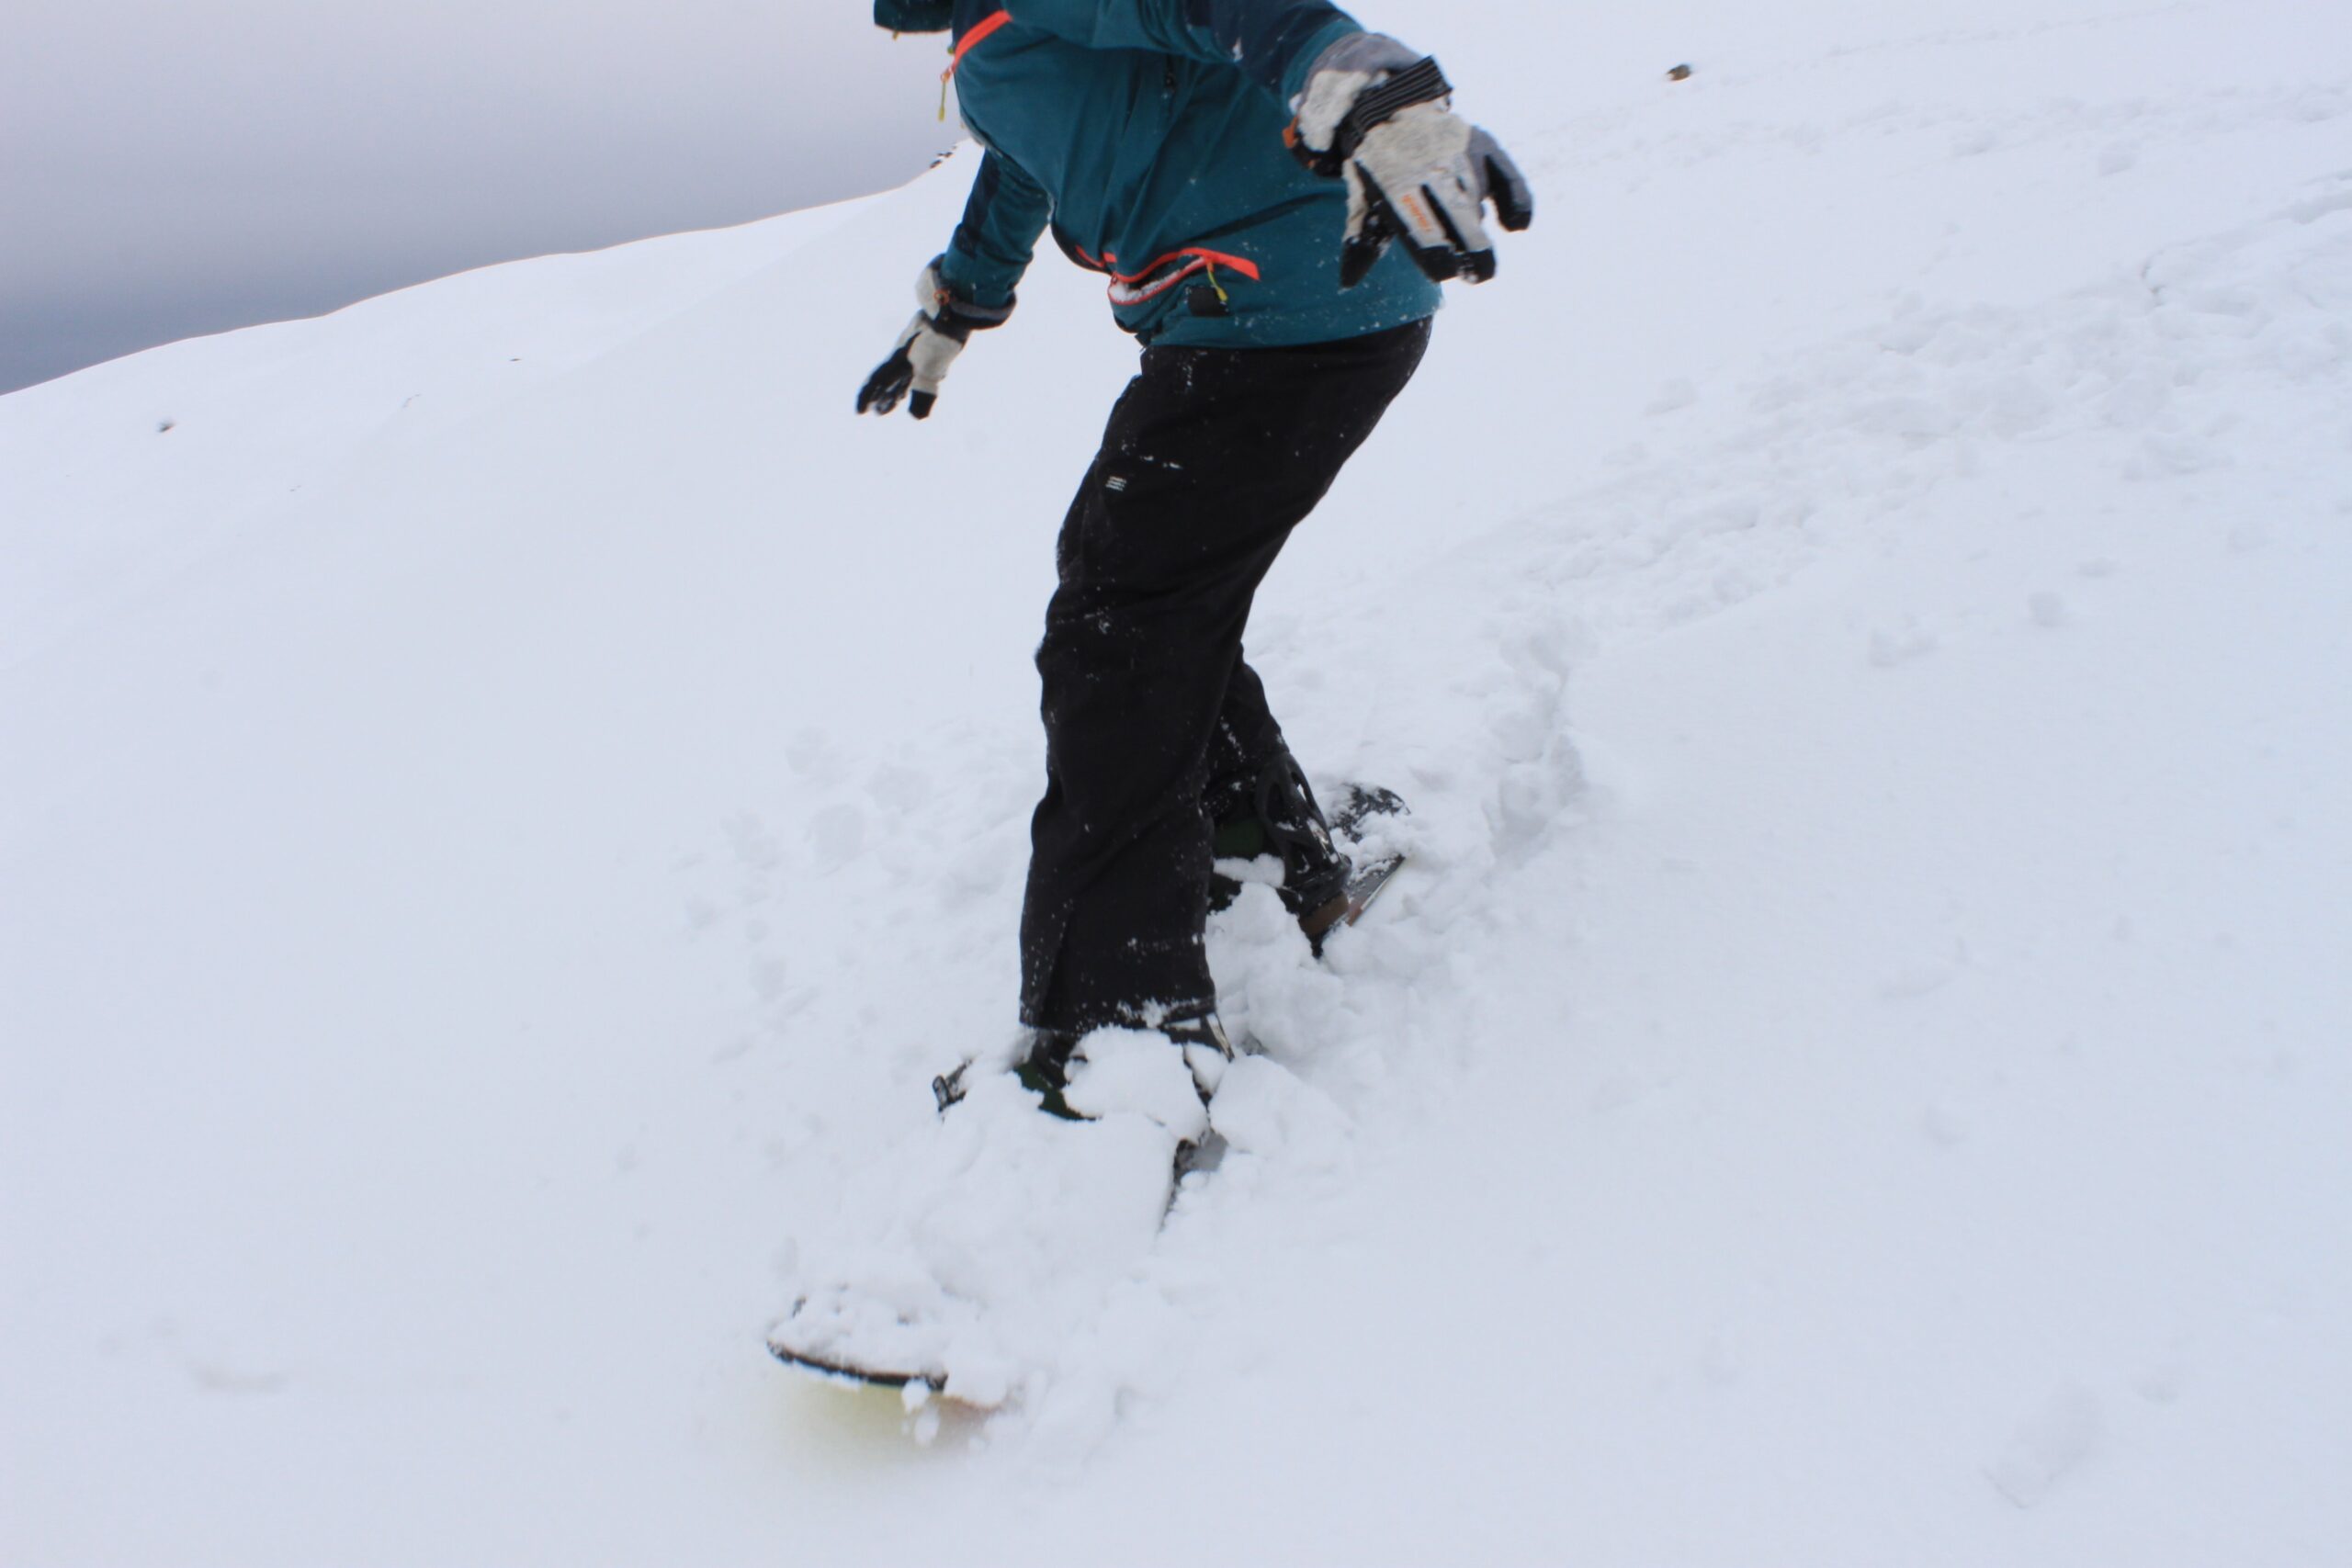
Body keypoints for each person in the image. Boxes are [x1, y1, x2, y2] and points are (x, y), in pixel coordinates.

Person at [859, 0, 1531, 1110]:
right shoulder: (996, 38)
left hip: (1284, 318)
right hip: (1272, 317)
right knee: (1151, 601)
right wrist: (958, 306)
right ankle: (1266, 864)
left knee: (1115, 638)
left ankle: (1122, 1038)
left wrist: (1362, 78)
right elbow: (1027, 164)